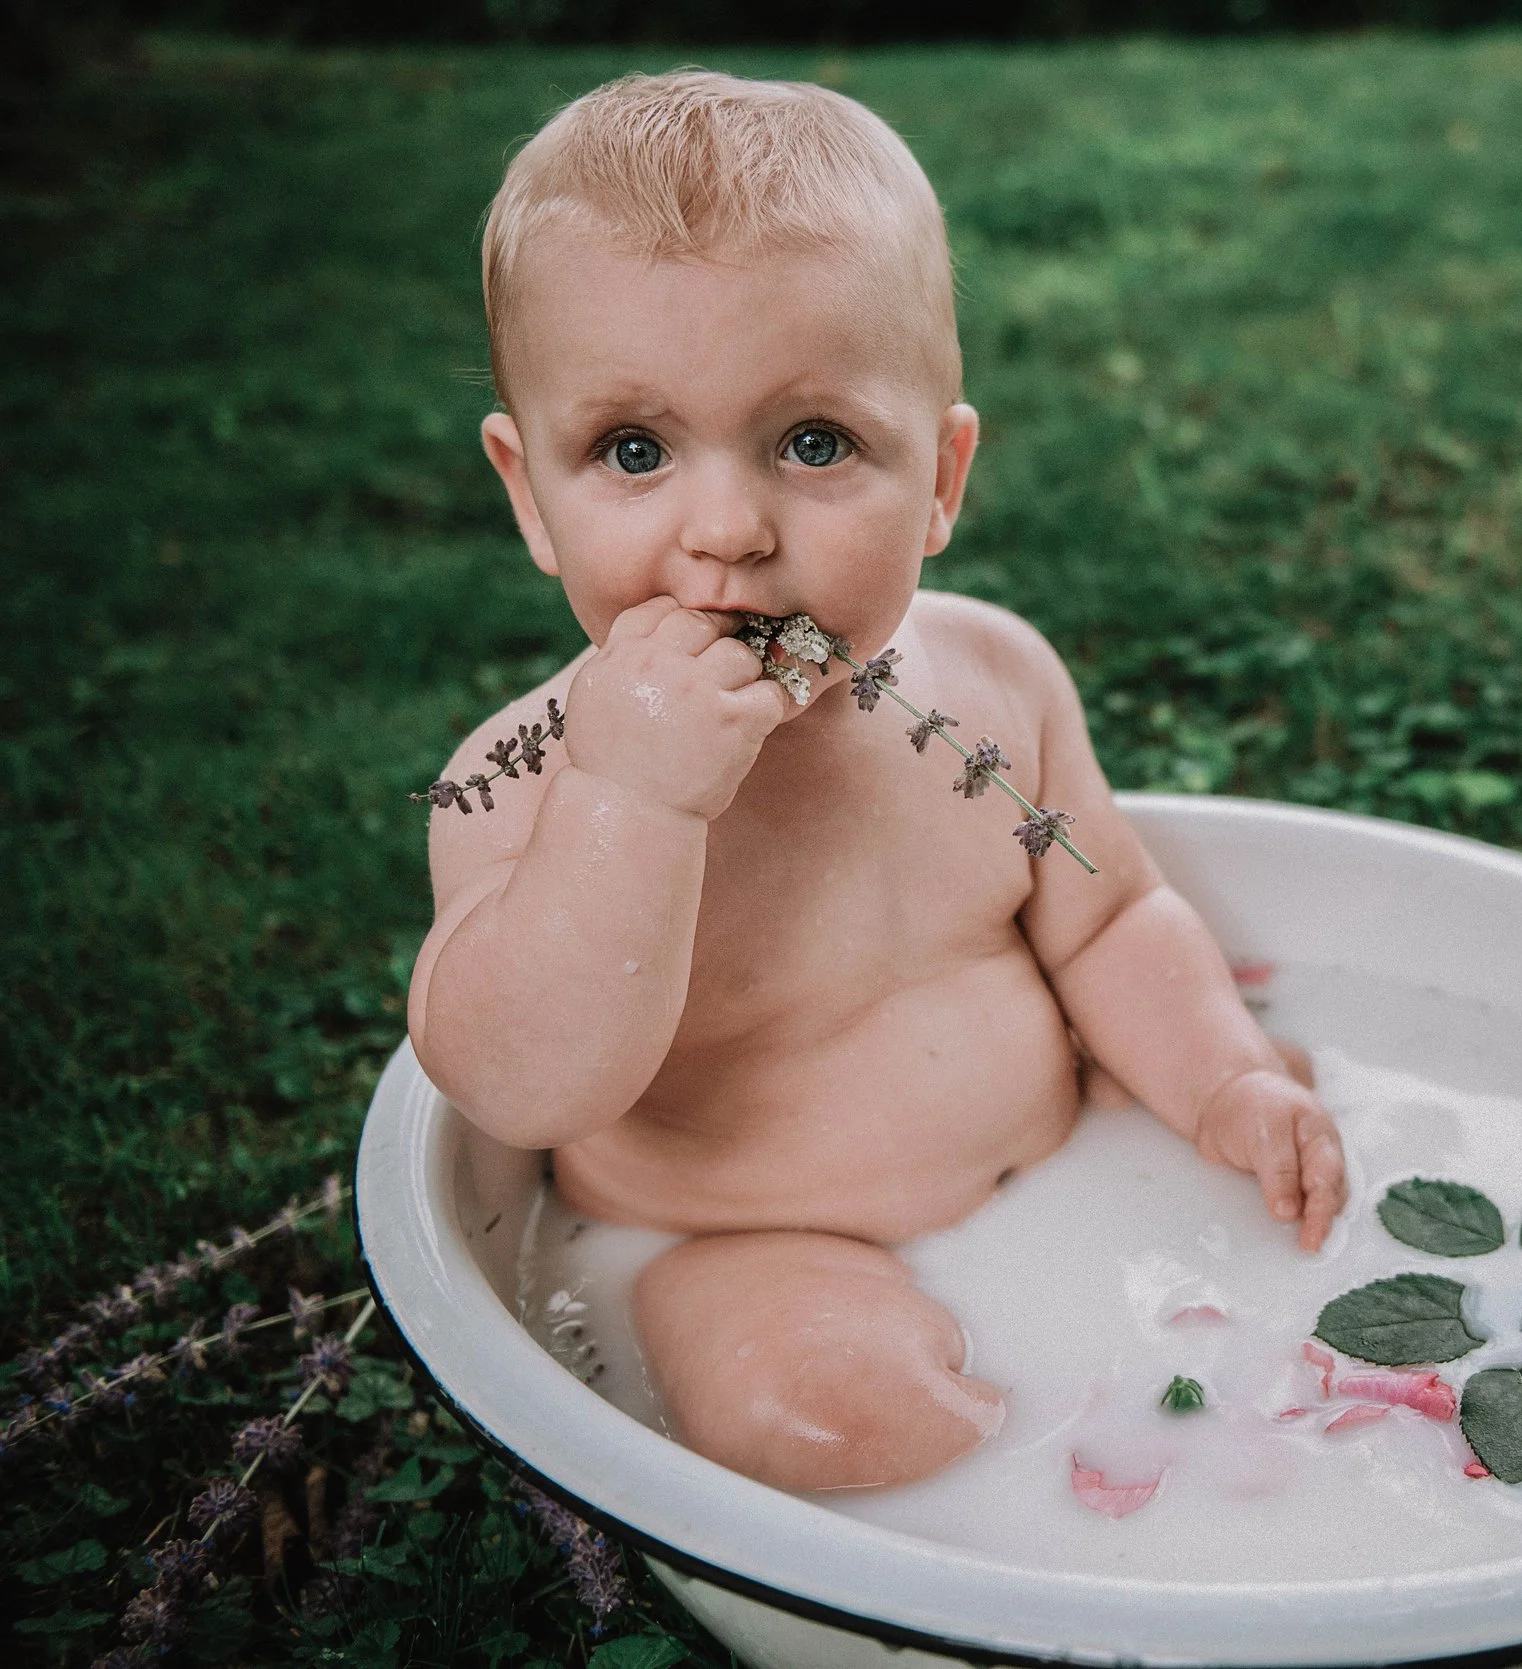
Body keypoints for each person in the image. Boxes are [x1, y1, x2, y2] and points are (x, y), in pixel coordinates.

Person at [407, 70, 1346, 1492]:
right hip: (750, 1246)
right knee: (843, 1428)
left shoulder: (994, 684)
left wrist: (1218, 1081)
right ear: (532, 494)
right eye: (635, 451)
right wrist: (631, 804)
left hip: (1057, 1159)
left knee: (1289, 1195)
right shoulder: (514, 784)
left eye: (815, 443)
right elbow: (514, 1087)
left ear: (944, 478)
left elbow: (1105, 915)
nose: (725, 529)